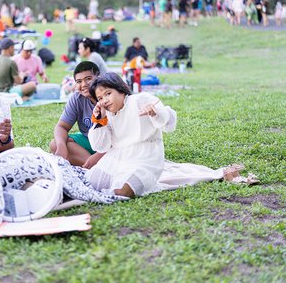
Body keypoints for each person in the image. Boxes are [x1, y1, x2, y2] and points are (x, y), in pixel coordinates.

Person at [86, 73, 243, 197]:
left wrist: (155, 113)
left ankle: (144, 179)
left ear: (121, 90)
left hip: (144, 158)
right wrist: (100, 121)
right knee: (92, 182)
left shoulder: (140, 100)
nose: (104, 100)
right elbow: (101, 146)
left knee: (123, 191)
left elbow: (169, 124)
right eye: (100, 98)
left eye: (108, 93)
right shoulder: (107, 116)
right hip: (118, 158)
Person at [49, 61, 104, 167]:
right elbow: (62, 127)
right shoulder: (77, 98)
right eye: (79, 81)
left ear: (99, 78)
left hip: (110, 146)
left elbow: (120, 138)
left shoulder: (108, 97)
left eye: (88, 79)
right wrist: (61, 149)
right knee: (55, 144)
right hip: (89, 140)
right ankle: (94, 166)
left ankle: (97, 166)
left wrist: (97, 156)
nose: (83, 85)